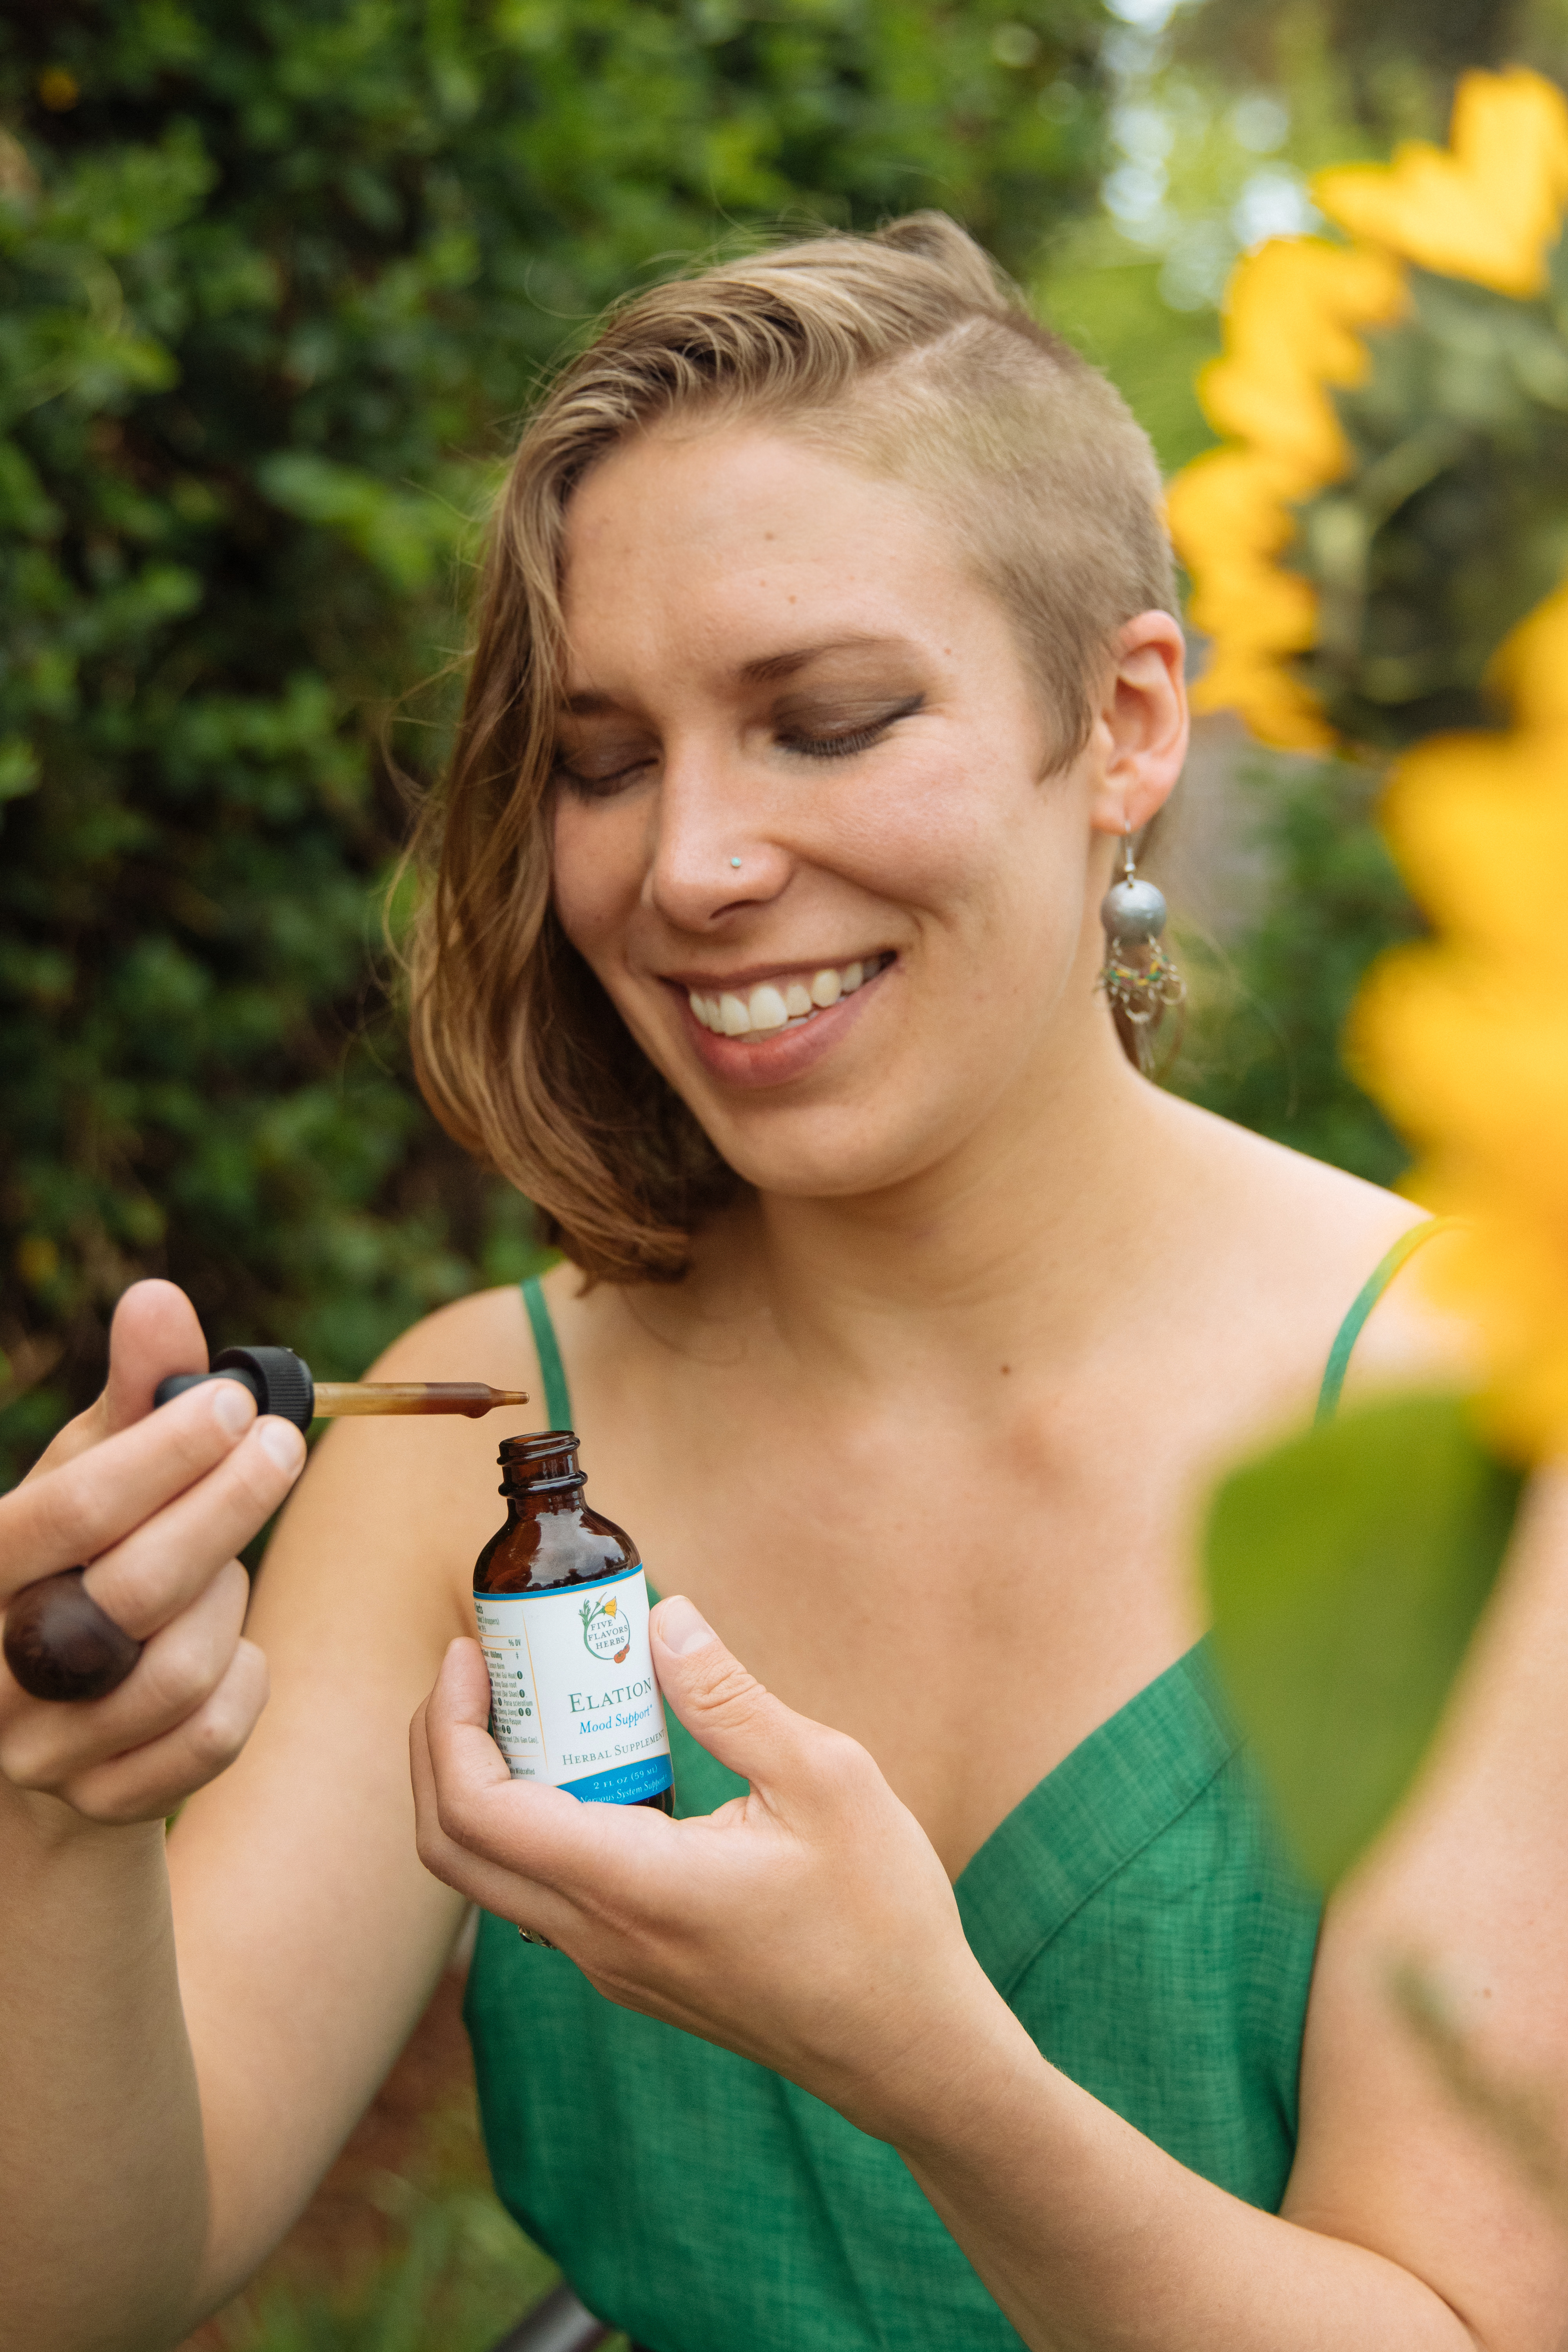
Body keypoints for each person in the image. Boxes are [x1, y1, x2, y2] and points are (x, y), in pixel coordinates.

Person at [3, 215, 1566, 2352]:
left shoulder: (1487, 1424)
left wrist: (933, 2073)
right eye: (604, 759)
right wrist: (53, 1817)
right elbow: (81, 2285)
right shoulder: (481, 1427)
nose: (692, 867)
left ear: (1121, 724)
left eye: (823, 722)